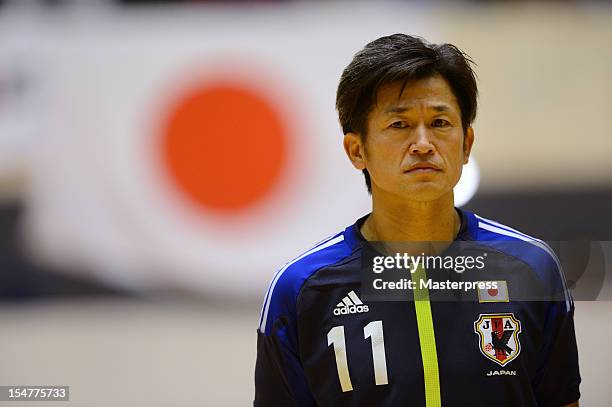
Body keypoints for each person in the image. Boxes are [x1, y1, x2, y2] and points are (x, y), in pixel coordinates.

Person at [254, 34, 580, 407]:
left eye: (440, 122)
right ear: (357, 150)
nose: (423, 143)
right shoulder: (299, 289)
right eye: (400, 125)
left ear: (466, 144)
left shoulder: (533, 268)